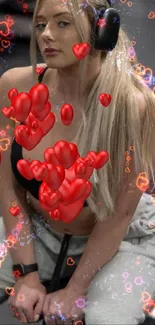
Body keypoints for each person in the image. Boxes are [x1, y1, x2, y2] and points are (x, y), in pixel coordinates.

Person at [0, 0, 155, 324]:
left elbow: (117, 216)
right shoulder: (15, 85)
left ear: (103, 29)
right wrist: (25, 273)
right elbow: (8, 188)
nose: (46, 36)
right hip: (40, 228)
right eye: (41, 24)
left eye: (62, 23)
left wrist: (75, 291)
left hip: (123, 234)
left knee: (103, 318)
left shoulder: (135, 105)